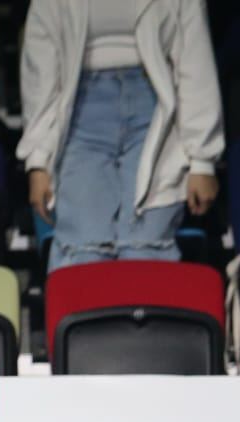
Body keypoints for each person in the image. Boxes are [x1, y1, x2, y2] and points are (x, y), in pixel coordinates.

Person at [18, 0, 223, 271]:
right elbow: (40, 69)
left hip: (155, 110)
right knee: (82, 250)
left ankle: (148, 314)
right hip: (80, 114)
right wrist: (38, 160)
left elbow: (194, 59)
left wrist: (202, 159)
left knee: (146, 248)